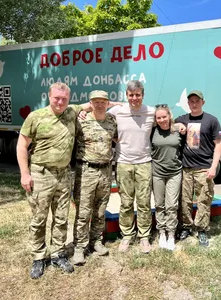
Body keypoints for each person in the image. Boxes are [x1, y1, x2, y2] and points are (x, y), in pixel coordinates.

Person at [16, 82, 91, 279]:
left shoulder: (71, 112)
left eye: (64, 99)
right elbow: (22, 145)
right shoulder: (36, 117)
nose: (60, 102)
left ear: (69, 99)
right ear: (49, 97)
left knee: (61, 217)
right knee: (39, 218)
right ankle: (39, 257)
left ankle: (58, 254)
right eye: (56, 98)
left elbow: (91, 104)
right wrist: (25, 173)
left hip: (64, 174)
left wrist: (117, 104)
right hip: (41, 174)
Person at [107, 80, 155, 253]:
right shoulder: (117, 111)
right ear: (126, 95)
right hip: (123, 163)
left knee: (143, 202)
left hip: (144, 163)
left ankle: (144, 237)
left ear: (143, 95)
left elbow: (168, 122)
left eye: (138, 95)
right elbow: (98, 114)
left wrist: (179, 126)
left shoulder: (151, 112)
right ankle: (127, 235)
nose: (135, 98)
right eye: (131, 95)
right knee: (126, 202)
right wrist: (82, 112)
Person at [71, 90, 117, 265]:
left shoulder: (112, 121)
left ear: (107, 103)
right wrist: (81, 110)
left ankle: (95, 241)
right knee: (83, 212)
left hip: (106, 171)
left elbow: (119, 138)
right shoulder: (81, 120)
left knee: (100, 210)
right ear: (90, 103)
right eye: (95, 101)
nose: (99, 105)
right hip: (86, 171)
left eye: (103, 102)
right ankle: (79, 247)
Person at [175, 90, 221, 247]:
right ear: (188, 103)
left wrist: (213, 167)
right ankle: (187, 227)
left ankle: (202, 230)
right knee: (185, 200)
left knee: (204, 200)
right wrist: (178, 126)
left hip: (204, 169)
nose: (194, 104)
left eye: (197, 101)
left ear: (203, 102)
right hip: (186, 168)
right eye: (191, 101)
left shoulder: (211, 120)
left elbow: (218, 144)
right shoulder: (182, 119)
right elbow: (168, 123)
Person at [151, 104, 184, 251]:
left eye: (164, 116)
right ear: (155, 119)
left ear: (169, 116)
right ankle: (161, 232)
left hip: (174, 173)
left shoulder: (177, 129)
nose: (162, 120)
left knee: (171, 205)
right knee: (159, 204)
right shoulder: (152, 131)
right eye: (159, 117)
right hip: (157, 173)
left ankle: (171, 234)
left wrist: (182, 126)